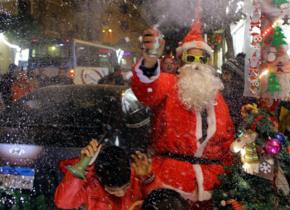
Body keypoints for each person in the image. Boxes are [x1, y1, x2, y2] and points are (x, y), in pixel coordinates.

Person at [131, 8, 234, 209]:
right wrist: (150, 59)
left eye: (202, 59)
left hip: (212, 184)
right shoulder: (169, 85)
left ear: (209, 62)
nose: (196, 64)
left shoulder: (216, 95)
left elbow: (226, 137)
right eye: (190, 58)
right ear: (181, 60)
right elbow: (146, 89)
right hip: (170, 180)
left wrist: (231, 173)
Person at [54, 139, 159, 210]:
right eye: (112, 190)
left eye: (125, 187)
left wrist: (149, 178)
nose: (121, 193)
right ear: (100, 179)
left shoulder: (139, 175)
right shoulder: (91, 185)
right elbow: (63, 202)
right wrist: (82, 167)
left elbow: (160, 203)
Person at [221, 53, 254, 127]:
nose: (223, 77)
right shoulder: (225, 89)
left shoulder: (245, 95)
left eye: (226, 74)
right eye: (223, 73)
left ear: (235, 75)